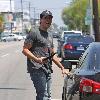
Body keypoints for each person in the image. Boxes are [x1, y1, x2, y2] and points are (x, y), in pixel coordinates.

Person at [22, 10, 69, 100]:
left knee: (47, 96)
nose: (48, 20)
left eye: (50, 18)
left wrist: (62, 67)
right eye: (45, 18)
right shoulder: (34, 32)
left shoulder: (49, 35)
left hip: (47, 69)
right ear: (41, 20)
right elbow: (25, 50)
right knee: (44, 96)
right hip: (36, 68)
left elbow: (52, 54)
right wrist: (36, 59)